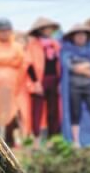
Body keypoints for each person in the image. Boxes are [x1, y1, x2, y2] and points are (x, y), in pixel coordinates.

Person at [0, 18, 26, 146]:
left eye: (7, 31)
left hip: (13, 87)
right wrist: (10, 60)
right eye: (1, 31)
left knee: (12, 113)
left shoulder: (17, 47)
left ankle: (10, 141)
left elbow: (21, 61)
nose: (4, 33)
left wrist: (6, 61)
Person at [25, 17, 62, 146]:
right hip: (40, 81)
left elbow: (59, 63)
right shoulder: (32, 45)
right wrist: (36, 82)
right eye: (46, 28)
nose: (48, 30)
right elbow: (28, 65)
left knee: (54, 110)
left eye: (50, 28)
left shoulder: (55, 44)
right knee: (37, 111)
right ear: (40, 30)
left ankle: (52, 139)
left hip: (54, 80)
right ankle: (36, 139)